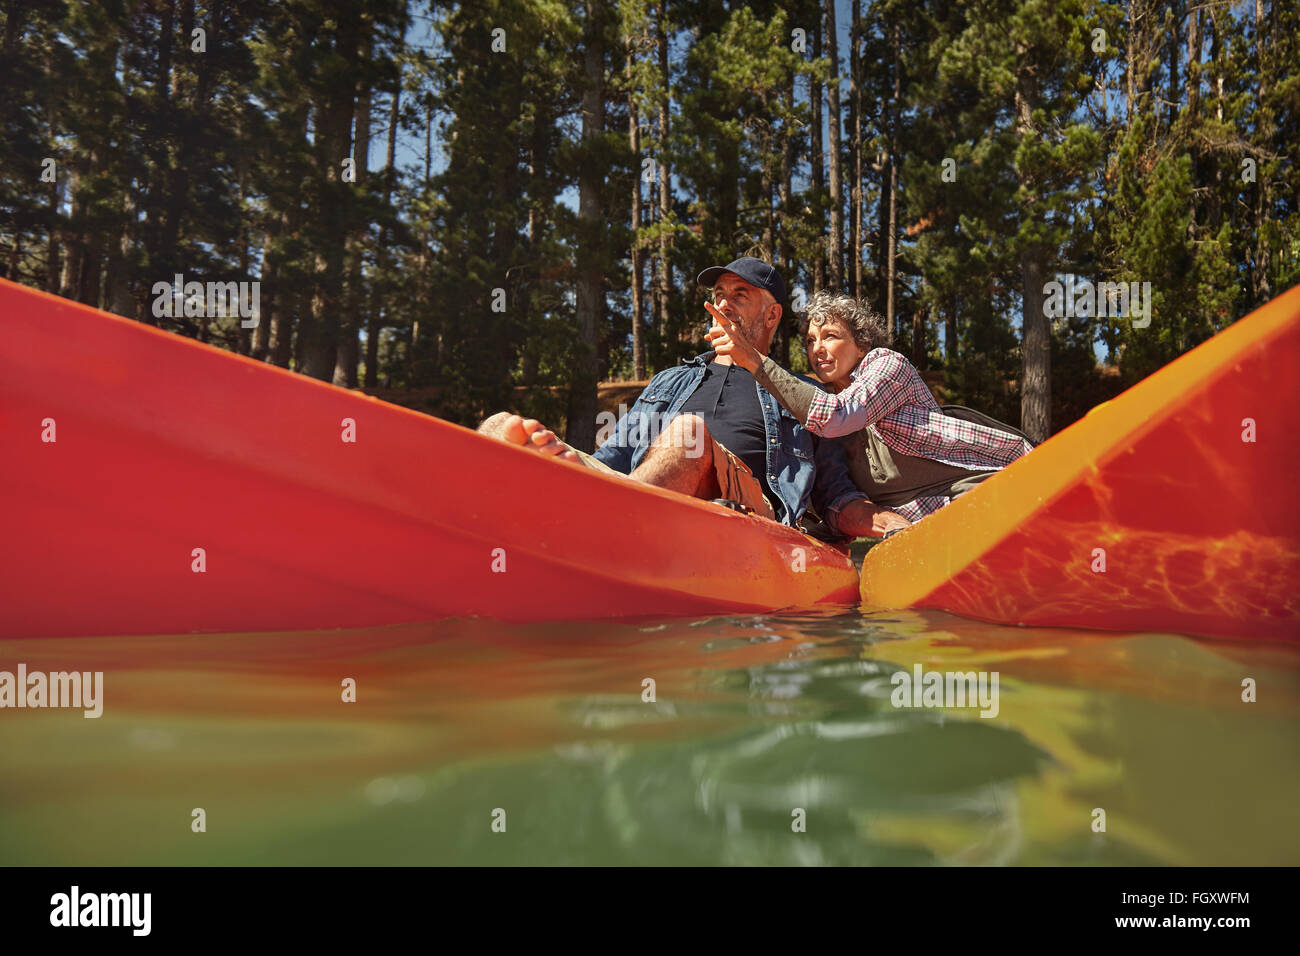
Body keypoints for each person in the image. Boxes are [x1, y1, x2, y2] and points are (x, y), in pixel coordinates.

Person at [477, 257, 909, 538]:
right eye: (719, 295)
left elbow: (836, 496)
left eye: (739, 296)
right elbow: (614, 457)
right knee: (500, 426)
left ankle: (609, 533)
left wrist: (888, 523)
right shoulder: (670, 379)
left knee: (688, 436)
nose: (723, 305)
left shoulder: (807, 394)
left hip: (750, 513)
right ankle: (503, 536)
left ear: (772, 314)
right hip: (636, 490)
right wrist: (578, 468)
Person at [706, 289, 1034, 527]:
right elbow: (833, 497)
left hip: (1012, 484)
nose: (817, 349)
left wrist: (752, 359)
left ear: (861, 344)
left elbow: (836, 416)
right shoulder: (818, 413)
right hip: (945, 522)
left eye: (830, 336)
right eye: (810, 341)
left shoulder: (886, 366)